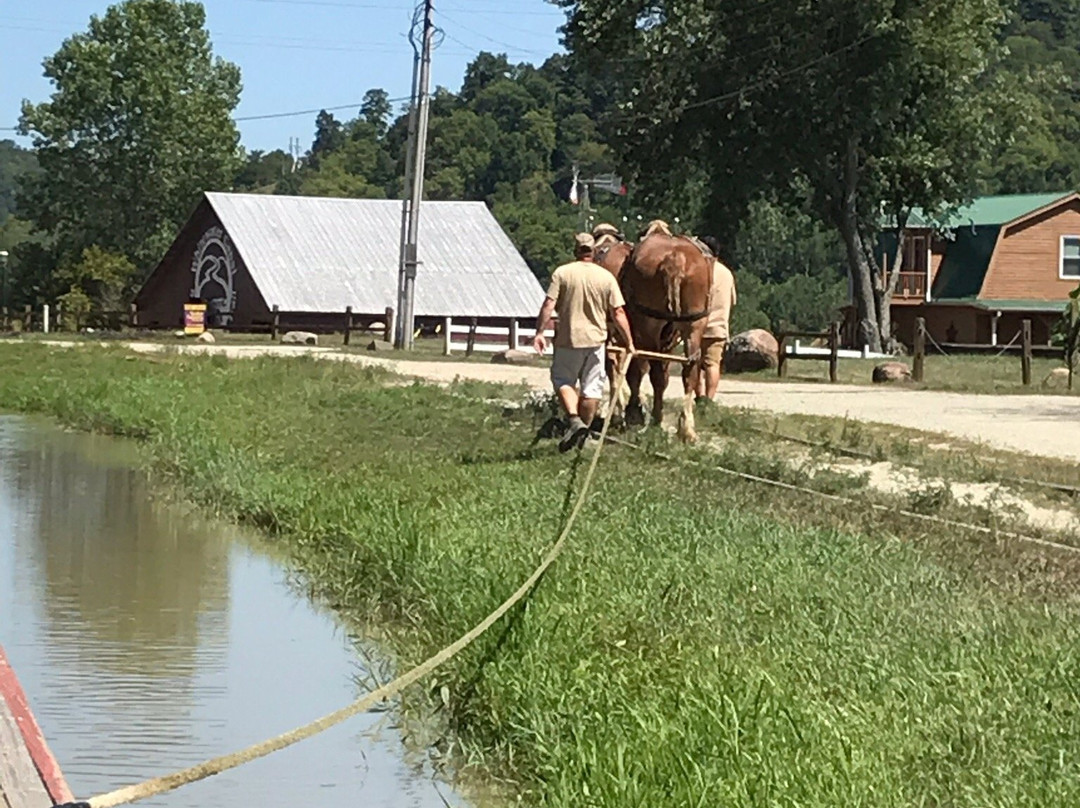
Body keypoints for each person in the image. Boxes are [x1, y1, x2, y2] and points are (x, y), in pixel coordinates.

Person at [533, 233, 635, 452]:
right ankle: (583, 434)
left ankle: (574, 420)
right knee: (592, 389)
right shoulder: (606, 277)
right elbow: (618, 312)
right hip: (596, 341)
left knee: (563, 381)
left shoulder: (563, 273)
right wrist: (629, 342)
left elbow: (548, 305)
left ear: (576, 250)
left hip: (568, 339)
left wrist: (540, 332)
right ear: (594, 251)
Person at [699, 235, 737, 400]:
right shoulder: (727, 273)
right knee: (713, 364)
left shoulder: (699, 270)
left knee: (694, 365)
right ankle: (709, 398)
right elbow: (733, 300)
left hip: (698, 326)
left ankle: (698, 396)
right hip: (718, 327)